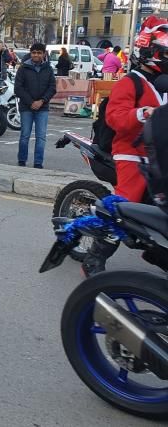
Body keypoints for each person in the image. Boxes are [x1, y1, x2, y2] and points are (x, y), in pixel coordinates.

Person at [81, 16, 168, 275]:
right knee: (124, 207)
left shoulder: (164, 83)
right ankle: (94, 258)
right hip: (132, 153)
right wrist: (145, 114)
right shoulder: (130, 82)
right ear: (150, 52)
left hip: (160, 155)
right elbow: (116, 118)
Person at [14, 43, 56, 168]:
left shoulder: (48, 69)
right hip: (26, 107)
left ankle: (38, 163)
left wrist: (42, 101)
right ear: (30, 53)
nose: (36, 55)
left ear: (43, 54)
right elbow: (18, 88)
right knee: (25, 135)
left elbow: (52, 88)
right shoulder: (23, 68)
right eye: (34, 53)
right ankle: (22, 160)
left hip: (42, 107)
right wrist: (31, 102)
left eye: (39, 53)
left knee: (41, 136)